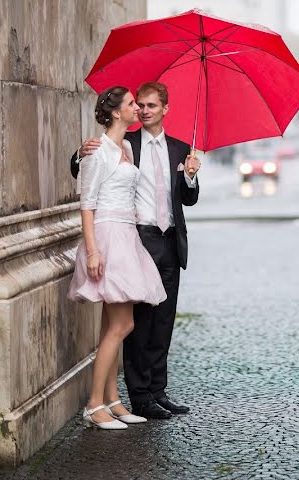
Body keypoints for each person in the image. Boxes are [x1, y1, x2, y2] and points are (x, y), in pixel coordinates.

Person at [70, 81, 200, 420]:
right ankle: (136, 395)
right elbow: (87, 173)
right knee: (134, 324)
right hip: (136, 236)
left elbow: (188, 198)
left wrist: (189, 176)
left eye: (150, 105)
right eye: (138, 104)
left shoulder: (180, 148)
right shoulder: (126, 144)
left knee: (164, 319)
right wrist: (78, 151)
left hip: (170, 239)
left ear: (164, 109)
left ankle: (157, 390)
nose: (143, 110)